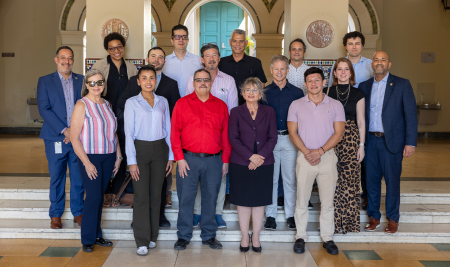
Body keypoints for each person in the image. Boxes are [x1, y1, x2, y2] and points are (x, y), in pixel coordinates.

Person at [117, 47, 180, 227]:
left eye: (161, 57)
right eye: (154, 56)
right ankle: (141, 220)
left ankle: (158, 217)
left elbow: (174, 114)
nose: (157, 59)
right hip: (141, 141)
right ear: (148, 58)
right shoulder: (133, 87)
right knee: (141, 188)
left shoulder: (170, 84)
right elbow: (122, 102)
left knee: (159, 186)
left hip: (160, 141)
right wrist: (140, 103)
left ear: (164, 61)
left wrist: (171, 155)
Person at [171, 69, 231, 251]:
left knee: (210, 198)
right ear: (194, 82)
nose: (203, 83)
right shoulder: (182, 104)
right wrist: (179, 159)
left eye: (206, 80)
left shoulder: (221, 105)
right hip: (188, 159)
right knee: (186, 199)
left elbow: (226, 136)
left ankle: (209, 235)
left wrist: (226, 160)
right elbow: (175, 134)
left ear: (211, 82)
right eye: (199, 80)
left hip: (214, 160)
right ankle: (183, 235)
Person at [288, 67, 345, 255]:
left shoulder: (335, 105)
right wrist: (307, 152)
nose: (313, 84)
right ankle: (300, 236)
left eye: (317, 80)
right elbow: (292, 132)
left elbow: (339, 133)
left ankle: (328, 238)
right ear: (305, 84)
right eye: (310, 81)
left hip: (327, 157)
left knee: (327, 201)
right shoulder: (296, 104)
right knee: (301, 199)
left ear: (323, 82)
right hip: (304, 157)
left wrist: (320, 151)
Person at [360, 51, 417, 234]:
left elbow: (410, 116)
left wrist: (410, 142)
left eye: (383, 60)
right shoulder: (364, 86)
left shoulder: (402, 84)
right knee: (371, 182)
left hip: (392, 142)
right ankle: (374, 217)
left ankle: (393, 219)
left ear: (389, 64)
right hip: (370, 141)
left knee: (392, 182)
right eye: (376, 60)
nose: (379, 63)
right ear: (372, 64)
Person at [185, 43, 238, 228]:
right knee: (199, 179)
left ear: (219, 58)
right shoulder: (193, 79)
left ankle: (217, 213)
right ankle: (199, 213)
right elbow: (186, 107)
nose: (212, 58)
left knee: (220, 177)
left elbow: (232, 111)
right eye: (208, 55)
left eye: (215, 55)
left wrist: (228, 141)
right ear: (202, 59)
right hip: (197, 139)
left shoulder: (228, 81)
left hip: (220, 137)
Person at [124, 65, 174, 256]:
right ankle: (142, 240)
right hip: (141, 150)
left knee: (156, 195)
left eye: (151, 78)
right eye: (144, 78)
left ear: (156, 80)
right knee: (142, 196)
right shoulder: (131, 103)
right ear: (138, 81)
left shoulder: (163, 102)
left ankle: (153, 236)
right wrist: (132, 161)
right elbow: (128, 133)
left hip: (161, 149)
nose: (148, 81)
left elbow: (168, 129)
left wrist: (170, 156)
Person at [70, 69, 121, 252]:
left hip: (108, 157)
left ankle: (97, 234)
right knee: (93, 197)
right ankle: (87, 239)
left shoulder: (107, 104)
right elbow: (74, 138)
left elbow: (112, 133)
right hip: (90, 157)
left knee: (100, 198)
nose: (96, 86)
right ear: (86, 85)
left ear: (104, 84)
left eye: (99, 82)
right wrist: (86, 162)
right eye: (92, 83)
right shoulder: (81, 105)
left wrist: (118, 156)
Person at [37, 46, 84, 229]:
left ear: (73, 60)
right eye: (63, 57)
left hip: (78, 138)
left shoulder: (81, 80)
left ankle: (78, 212)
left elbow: (87, 106)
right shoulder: (45, 81)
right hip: (56, 137)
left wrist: (75, 132)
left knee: (78, 176)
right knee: (57, 176)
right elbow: (44, 109)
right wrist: (65, 130)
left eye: (70, 58)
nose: (67, 61)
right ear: (56, 59)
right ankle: (55, 214)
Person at [228, 77, 277, 253]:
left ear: (260, 92)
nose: (251, 93)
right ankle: (244, 236)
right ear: (242, 93)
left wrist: (259, 157)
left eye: (254, 89)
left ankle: (255, 236)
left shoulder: (269, 111)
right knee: (242, 200)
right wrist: (250, 157)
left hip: (264, 163)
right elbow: (233, 138)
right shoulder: (235, 112)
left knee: (259, 200)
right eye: (247, 90)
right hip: (241, 163)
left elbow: (273, 137)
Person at [91, 32, 138, 207]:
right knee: (106, 153)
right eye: (112, 48)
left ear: (123, 47)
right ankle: (104, 192)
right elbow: (89, 89)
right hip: (104, 115)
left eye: (119, 47)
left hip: (126, 116)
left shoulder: (131, 68)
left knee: (123, 154)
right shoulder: (99, 65)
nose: (116, 51)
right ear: (107, 49)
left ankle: (116, 192)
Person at [328, 32, 374, 209]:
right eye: (350, 43)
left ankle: (365, 197)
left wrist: (360, 142)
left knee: (362, 164)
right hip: (340, 121)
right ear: (345, 46)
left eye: (357, 43)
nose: (354, 46)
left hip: (362, 117)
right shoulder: (338, 64)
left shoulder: (371, 65)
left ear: (362, 45)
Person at [325, 58, 366, 234]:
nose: (342, 72)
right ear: (334, 73)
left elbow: (361, 121)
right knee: (332, 181)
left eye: (346, 69)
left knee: (350, 182)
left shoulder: (358, 94)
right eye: (339, 69)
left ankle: (349, 223)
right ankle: (333, 223)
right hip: (330, 137)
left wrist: (361, 145)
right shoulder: (326, 92)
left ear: (351, 73)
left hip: (350, 139)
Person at [263, 55, 304, 231]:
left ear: (287, 70)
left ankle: (290, 215)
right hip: (269, 140)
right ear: (271, 70)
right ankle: (270, 216)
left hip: (290, 139)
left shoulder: (297, 92)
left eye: (282, 69)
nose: (279, 72)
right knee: (270, 180)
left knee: (289, 179)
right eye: (276, 69)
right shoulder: (263, 92)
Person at [218, 29, 267, 105]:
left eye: (241, 41)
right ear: (230, 42)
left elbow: (261, 85)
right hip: (225, 106)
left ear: (246, 43)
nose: (238, 44)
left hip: (248, 107)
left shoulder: (255, 62)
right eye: (234, 41)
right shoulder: (221, 62)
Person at [162, 24, 203, 97]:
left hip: (192, 104)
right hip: (170, 104)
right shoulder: (164, 62)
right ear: (172, 41)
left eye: (184, 37)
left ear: (188, 40)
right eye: (177, 37)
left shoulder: (198, 61)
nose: (181, 40)